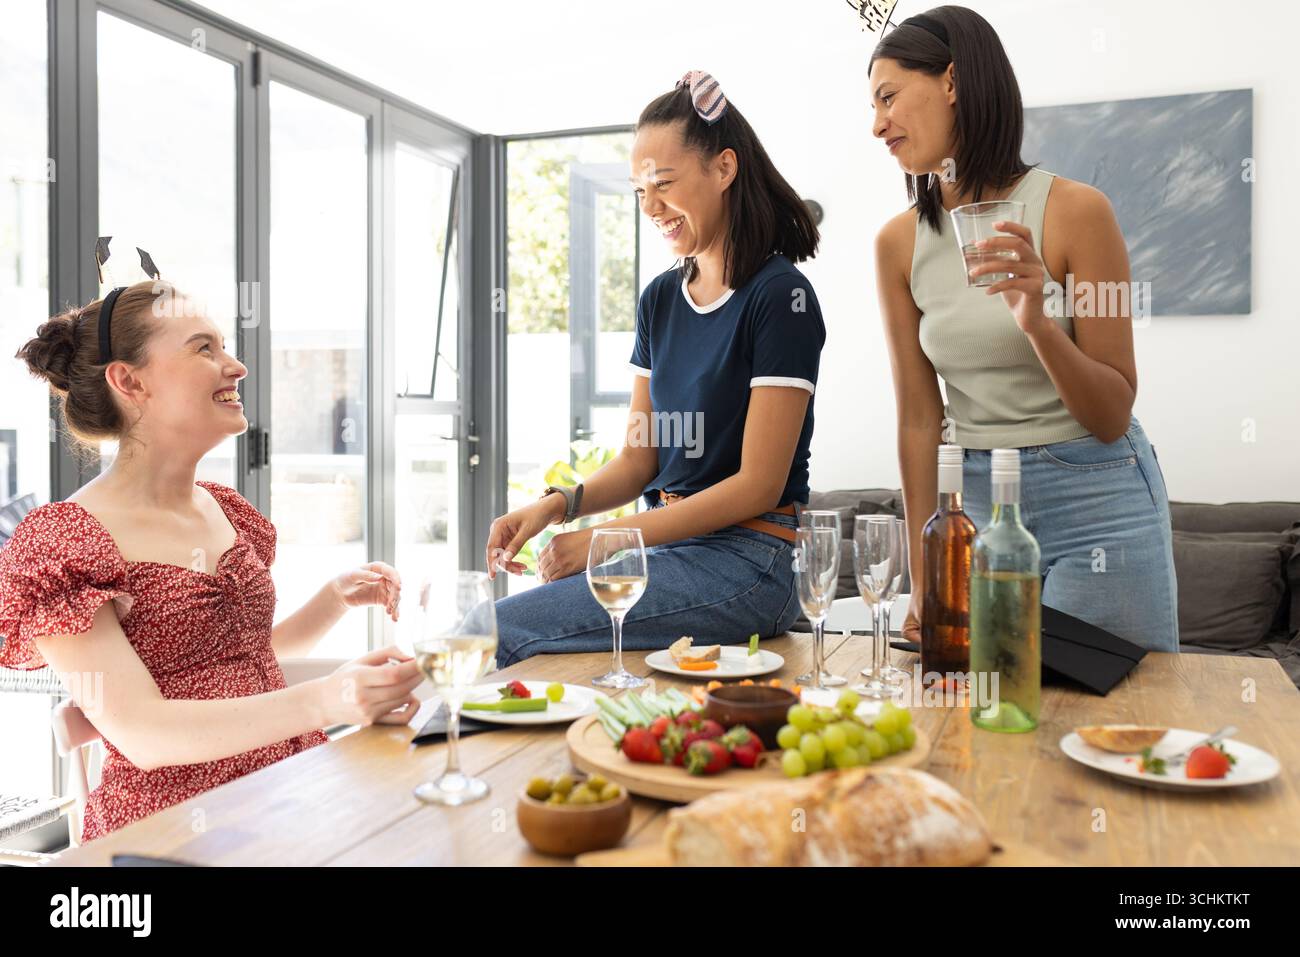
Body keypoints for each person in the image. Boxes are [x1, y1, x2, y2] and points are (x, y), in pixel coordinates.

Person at [0, 281, 424, 842]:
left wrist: (333, 601)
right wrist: (330, 698)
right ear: (130, 381)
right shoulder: (61, 545)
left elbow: (237, 663)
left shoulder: (225, 509)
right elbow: (144, 734)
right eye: (204, 348)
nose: (237, 366)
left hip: (294, 789)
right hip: (175, 831)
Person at [487, 71, 825, 667]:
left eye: (663, 183)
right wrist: (557, 505)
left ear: (724, 169)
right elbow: (641, 458)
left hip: (751, 562)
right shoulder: (660, 299)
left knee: (498, 629)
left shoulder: (781, 298)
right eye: (640, 189)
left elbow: (759, 485)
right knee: (513, 625)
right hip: (667, 552)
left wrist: (602, 541)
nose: (651, 207)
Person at [870, 7, 1178, 651]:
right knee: (983, 725)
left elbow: (1113, 410)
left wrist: (1038, 322)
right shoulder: (898, 244)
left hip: (1096, 498)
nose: (878, 125)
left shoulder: (1078, 212)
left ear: (952, 82)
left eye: (889, 96)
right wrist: (927, 567)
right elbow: (919, 420)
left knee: (1115, 725)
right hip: (975, 509)